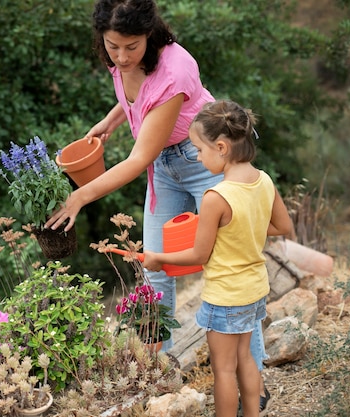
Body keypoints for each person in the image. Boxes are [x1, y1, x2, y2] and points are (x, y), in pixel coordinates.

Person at [44, 0, 271, 413]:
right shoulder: (120, 59)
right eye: (113, 47)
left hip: (205, 158)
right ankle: (154, 373)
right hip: (165, 166)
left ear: (149, 34)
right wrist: (112, 120)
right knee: (154, 267)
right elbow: (137, 95)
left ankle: (251, 383)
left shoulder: (175, 68)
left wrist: (80, 194)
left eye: (132, 46)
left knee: (232, 266)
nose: (122, 56)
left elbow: (138, 158)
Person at [142, 100, 292, 417]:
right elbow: (283, 225)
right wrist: (245, 225)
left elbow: (199, 254)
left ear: (221, 147)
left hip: (225, 296)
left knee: (224, 370)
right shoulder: (263, 180)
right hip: (254, 290)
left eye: (198, 149)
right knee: (246, 360)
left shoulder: (216, 197)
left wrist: (158, 258)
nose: (197, 157)